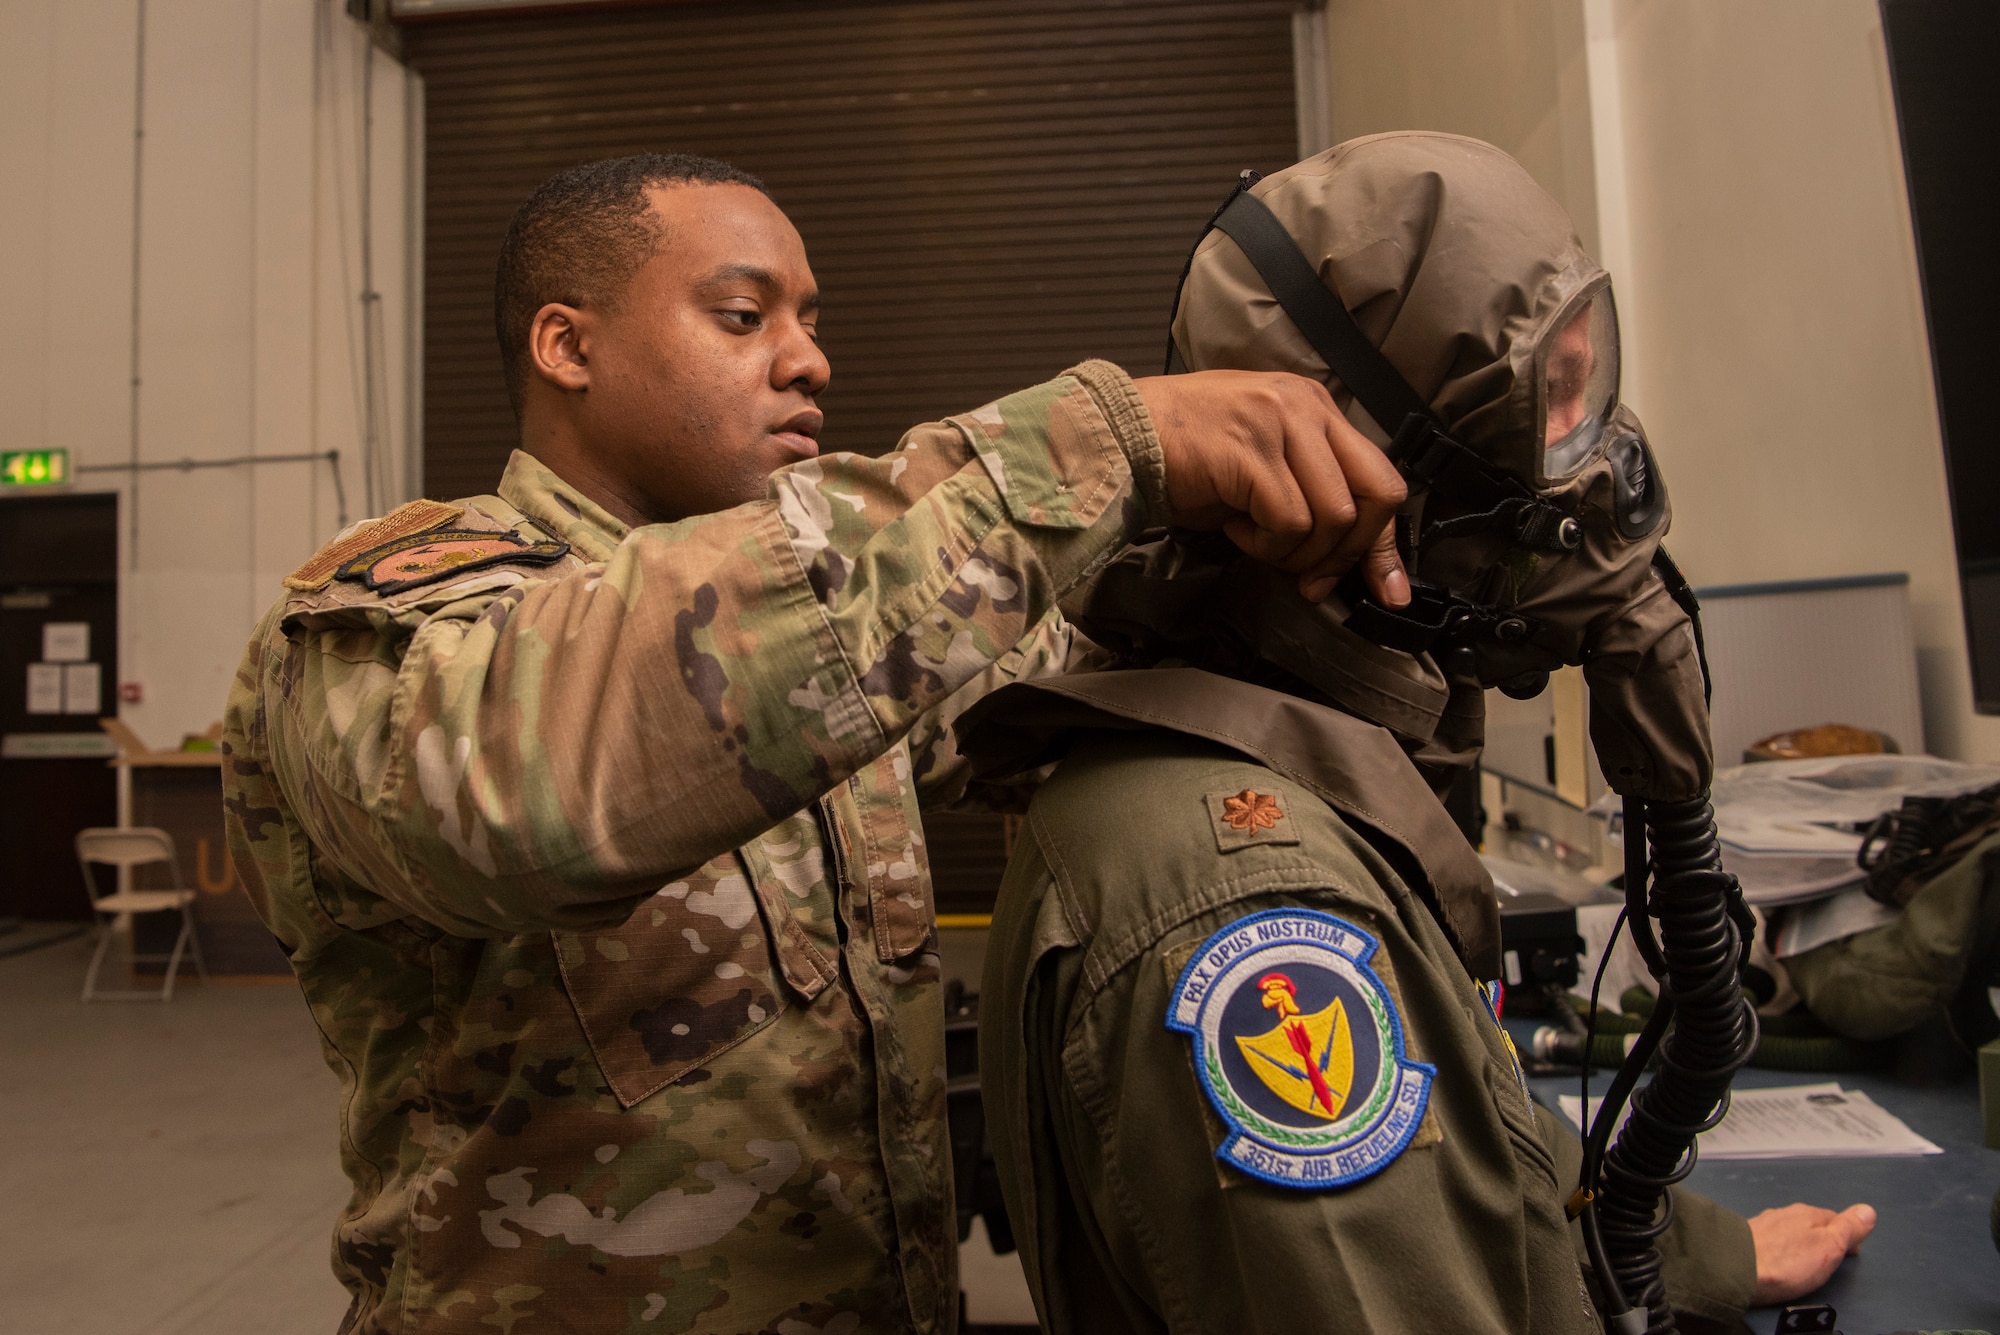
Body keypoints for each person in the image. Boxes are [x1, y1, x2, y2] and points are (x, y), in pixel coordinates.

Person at [220, 152, 1412, 1335]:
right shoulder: (397, 621)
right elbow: (514, 791)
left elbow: (1083, 694)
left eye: (806, 319)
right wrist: (1097, 444)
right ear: (567, 348)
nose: (808, 358)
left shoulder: (835, 639)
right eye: (741, 316)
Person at [961, 133, 1874, 1335]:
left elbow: (1462, 1157)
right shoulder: (1242, 900)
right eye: (1542, 411)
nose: (1589, 472)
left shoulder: (1293, 781)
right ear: (1349, 486)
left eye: (1584, 391)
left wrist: (1688, 1252)